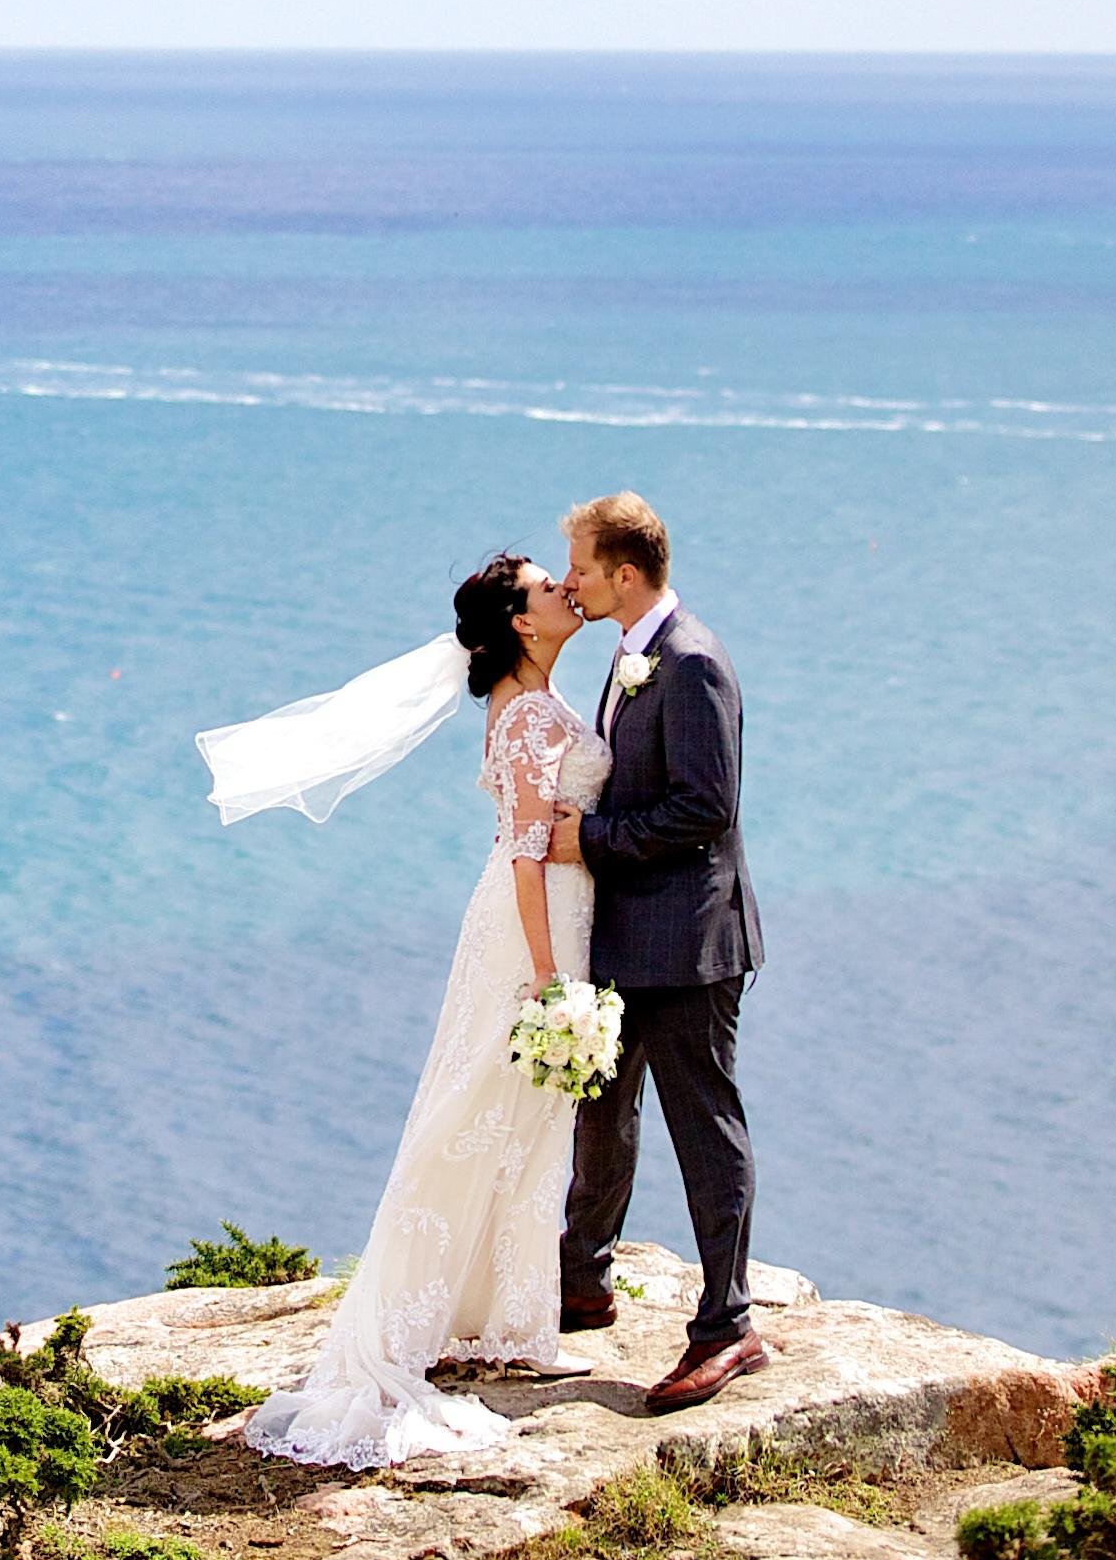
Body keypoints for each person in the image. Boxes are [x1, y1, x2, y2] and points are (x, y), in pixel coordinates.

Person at [232, 553, 608, 1470]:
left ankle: (487, 1315)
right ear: (521, 623)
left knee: (514, 1115)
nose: (564, 586)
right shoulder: (524, 716)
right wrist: (553, 978)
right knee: (474, 1112)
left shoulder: (538, 701)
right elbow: (526, 852)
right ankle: (414, 1321)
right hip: (531, 927)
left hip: (555, 915)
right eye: (543, 585)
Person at [555, 490, 767, 1410]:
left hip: (690, 945)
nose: (572, 582)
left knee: (702, 1127)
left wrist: (589, 842)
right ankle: (581, 1280)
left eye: (584, 569)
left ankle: (728, 1328)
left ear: (626, 575)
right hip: (626, 936)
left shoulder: (691, 664)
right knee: (601, 1108)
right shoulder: (630, 653)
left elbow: (704, 809)